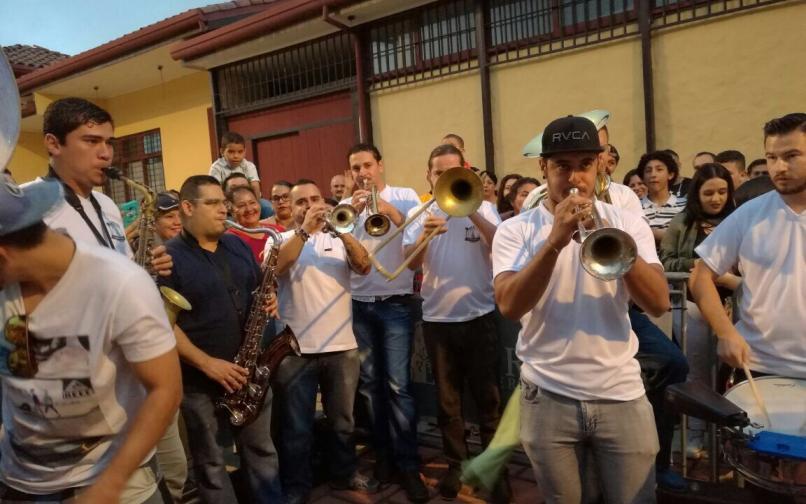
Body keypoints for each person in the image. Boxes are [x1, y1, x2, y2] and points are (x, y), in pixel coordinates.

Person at [494, 116, 669, 503]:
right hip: (547, 395)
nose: (574, 178)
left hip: (621, 393)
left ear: (600, 165)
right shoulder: (514, 231)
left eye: (584, 165)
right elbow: (509, 305)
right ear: (543, 168)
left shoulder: (628, 221)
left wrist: (615, 238)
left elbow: (657, 302)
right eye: (562, 166)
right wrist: (554, 243)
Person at [31, 96, 186, 500]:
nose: (106, 153)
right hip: (80, 397)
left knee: (171, 475)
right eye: (91, 141)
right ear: (53, 143)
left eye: (110, 142)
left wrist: (141, 268)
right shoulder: (28, 209)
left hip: (135, 379)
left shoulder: (108, 206)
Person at [0, 179, 181, 503]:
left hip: (117, 489)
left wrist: (110, 484)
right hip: (20, 486)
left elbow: (166, 389)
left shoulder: (119, 283)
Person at [158, 175, 282, 504]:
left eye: (222, 203)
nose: (222, 210)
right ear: (187, 207)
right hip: (201, 380)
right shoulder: (167, 257)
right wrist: (207, 364)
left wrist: (270, 297)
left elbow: (260, 287)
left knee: (262, 452)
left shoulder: (238, 243)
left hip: (250, 373)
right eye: (212, 203)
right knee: (211, 465)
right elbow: (161, 323)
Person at [402, 144, 509, 501]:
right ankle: (456, 467)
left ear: (464, 171)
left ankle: (494, 471)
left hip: (479, 316)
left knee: (488, 401)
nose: (444, 178)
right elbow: (410, 264)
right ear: (429, 177)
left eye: (452, 172)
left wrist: (474, 211)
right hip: (437, 321)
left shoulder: (487, 207)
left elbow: (501, 245)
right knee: (448, 404)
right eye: (438, 173)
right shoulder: (420, 213)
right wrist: (424, 236)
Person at [271, 179, 376, 503]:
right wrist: (304, 231)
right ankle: (297, 487)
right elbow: (276, 267)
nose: (311, 205)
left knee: (343, 422)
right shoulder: (281, 238)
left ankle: (343, 476)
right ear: (290, 206)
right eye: (302, 201)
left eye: (316, 199)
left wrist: (341, 231)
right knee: (297, 427)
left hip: (341, 346)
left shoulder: (341, 236)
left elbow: (364, 266)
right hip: (295, 349)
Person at [340, 143, 429, 502]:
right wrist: (350, 211)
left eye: (366, 165)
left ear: (380, 165)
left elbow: (416, 244)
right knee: (370, 388)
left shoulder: (406, 196)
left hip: (395, 304)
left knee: (398, 387)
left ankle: (409, 463)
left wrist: (390, 211)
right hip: (359, 305)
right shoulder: (347, 206)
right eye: (355, 168)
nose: (362, 173)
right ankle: (385, 459)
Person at [691, 113, 806, 385]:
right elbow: (700, 275)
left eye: (791, 156)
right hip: (760, 369)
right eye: (771, 157)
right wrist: (725, 333)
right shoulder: (749, 214)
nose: (779, 167)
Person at [660, 163, 739, 454]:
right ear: (697, 194)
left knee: (727, 375)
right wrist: (699, 266)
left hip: (735, 307)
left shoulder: (738, 219)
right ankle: (696, 437)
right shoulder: (683, 222)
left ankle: (725, 441)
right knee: (697, 372)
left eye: (722, 191)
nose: (716, 198)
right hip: (692, 307)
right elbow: (666, 262)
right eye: (709, 193)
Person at [639, 150, 687, 245]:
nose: (653, 175)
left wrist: (650, 233)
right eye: (648, 171)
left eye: (659, 169)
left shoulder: (685, 205)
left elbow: (686, 238)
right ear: (643, 177)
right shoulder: (635, 206)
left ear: (670, 174)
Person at [225, 185, 282, 263]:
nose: (249, 209)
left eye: (252, 203)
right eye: (241, 205)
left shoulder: (278, 231)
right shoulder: (229, 240)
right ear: (231, 210)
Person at [209, 132, 262, 198]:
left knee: (266, 205)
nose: (236, 156)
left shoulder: (249, 166)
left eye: (240, 152)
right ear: (222, 152)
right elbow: (215, 190)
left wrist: (256, 204)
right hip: (227, 200)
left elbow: (255, 186)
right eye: (231, 152)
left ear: (245, 152)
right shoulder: (216, 167)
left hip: (247, 198)